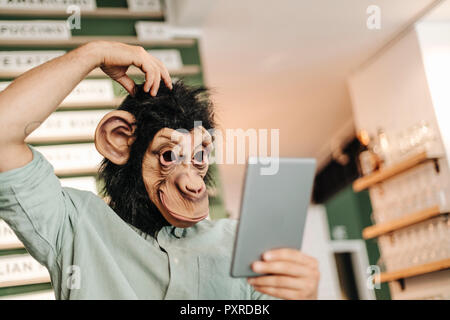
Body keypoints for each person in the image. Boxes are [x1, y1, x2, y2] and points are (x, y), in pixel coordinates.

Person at [0, 41, 320, 299]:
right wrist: (92, 53)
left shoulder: (236, 242)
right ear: (118, 141)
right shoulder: (76, 226)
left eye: (199, 157)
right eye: (168, 155)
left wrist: (305, 296)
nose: (194, 184)